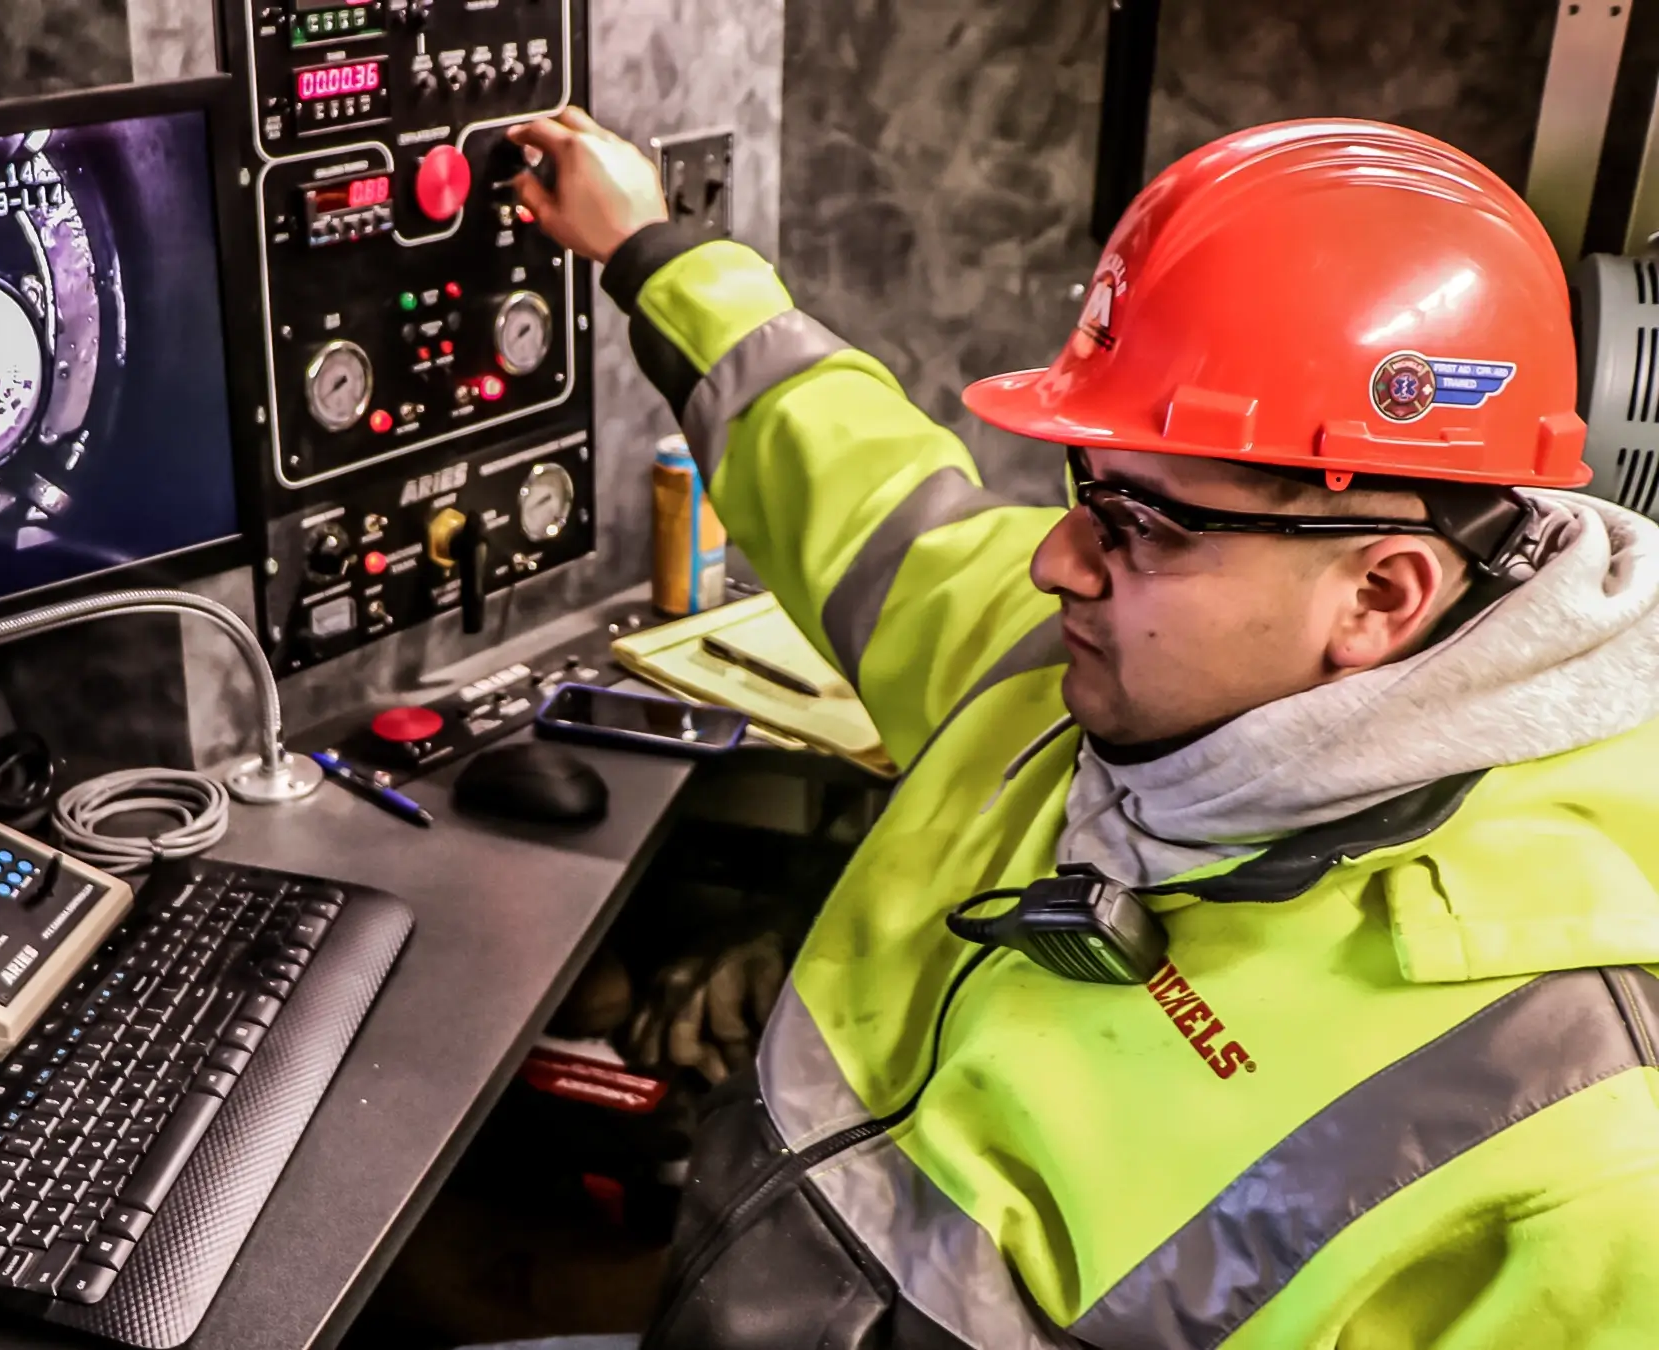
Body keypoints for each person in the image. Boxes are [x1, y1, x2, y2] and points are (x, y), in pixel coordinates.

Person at [494, 110, 1659, 1347]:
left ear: (1379, 595)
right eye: (1081, 493)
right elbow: (857, 486)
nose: (1055, 561)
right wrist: (649, 246)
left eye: (1139, 525)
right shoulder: (1087, 668)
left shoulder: (1582, 1128)